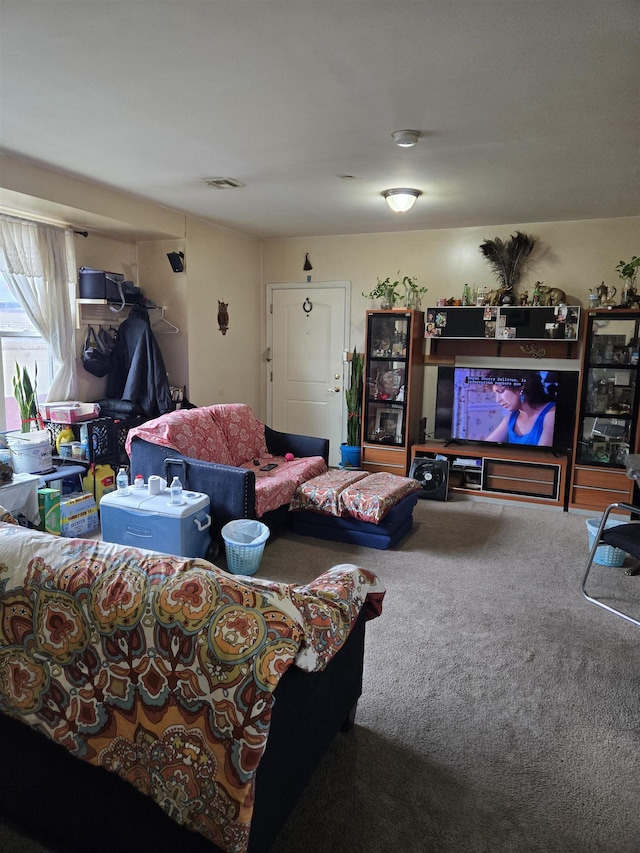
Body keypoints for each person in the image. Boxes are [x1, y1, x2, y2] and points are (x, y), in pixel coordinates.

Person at [483, 370, 556, 447]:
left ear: (521, 387)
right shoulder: (512, 415)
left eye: (501, 391)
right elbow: (486, 446)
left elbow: (542, 457)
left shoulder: (551, 413)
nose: (497, 400)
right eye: (496, 394)